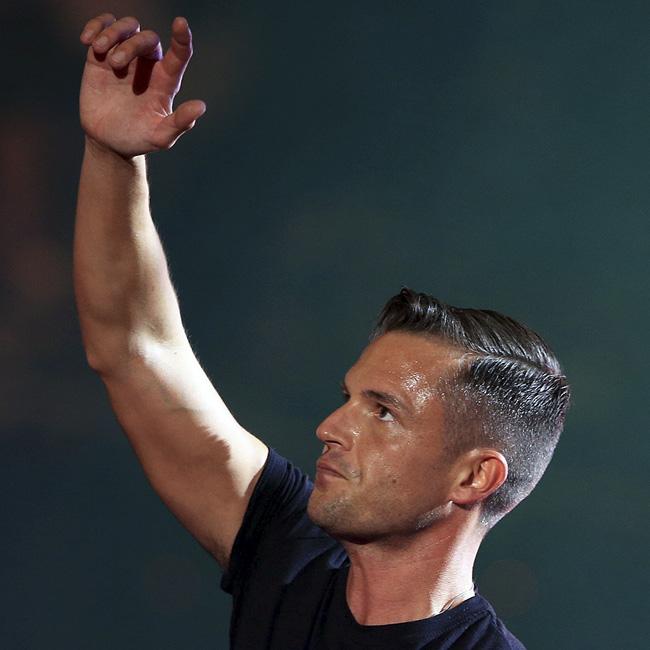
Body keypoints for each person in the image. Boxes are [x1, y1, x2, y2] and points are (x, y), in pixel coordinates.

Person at [75, 14, 570, 649]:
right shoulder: (288, 555)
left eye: (384, 411)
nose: (330, 427)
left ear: (474, 478)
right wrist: (113, 156)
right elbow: (134, 348)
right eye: (349, 398)